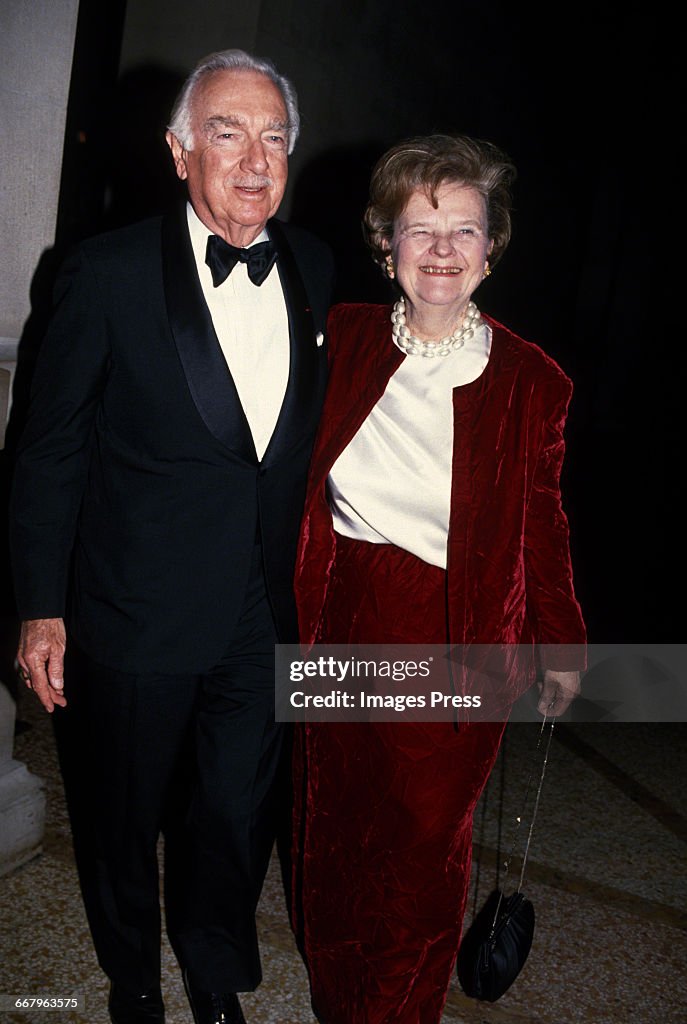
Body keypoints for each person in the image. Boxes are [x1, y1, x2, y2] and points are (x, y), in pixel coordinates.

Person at [10, 49, 333, 1024]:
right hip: (134, 603)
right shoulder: (101, 274)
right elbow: (48, 452)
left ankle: (212, 970)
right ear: (179, 149)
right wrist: (39, 606)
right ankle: (133, 977)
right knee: (121, 815)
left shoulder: (315, 267)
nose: (253, 157)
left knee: (233, 813)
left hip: (259, 604)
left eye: (274, 136)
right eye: (227, 132)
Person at [290, 134, 586, 1024]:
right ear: (386, 243)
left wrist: (561, 644)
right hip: (338, 610)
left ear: (492, 247)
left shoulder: (530, 380)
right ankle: (338, 991)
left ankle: (401, 1007)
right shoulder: (336, 337)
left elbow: (543, 520)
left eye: (465, 229)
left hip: (454, 631)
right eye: (422, 230)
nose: (444, 251)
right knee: (333, 826)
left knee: (423, 845)